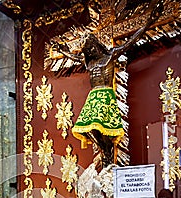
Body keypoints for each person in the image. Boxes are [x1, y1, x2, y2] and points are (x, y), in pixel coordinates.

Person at [52, 0, 161, 168]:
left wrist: (148, 23)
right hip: (93, 97)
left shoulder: (110, 55)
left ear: (97, 46)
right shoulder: (89, 62)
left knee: (101, 128)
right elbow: (74, 58)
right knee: (89, 129)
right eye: (88, 51)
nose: (91, 52)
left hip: (105, 95)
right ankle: (105, 151)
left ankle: (107, 150)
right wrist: (62, 51)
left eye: (92, 49)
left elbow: (130, 41)